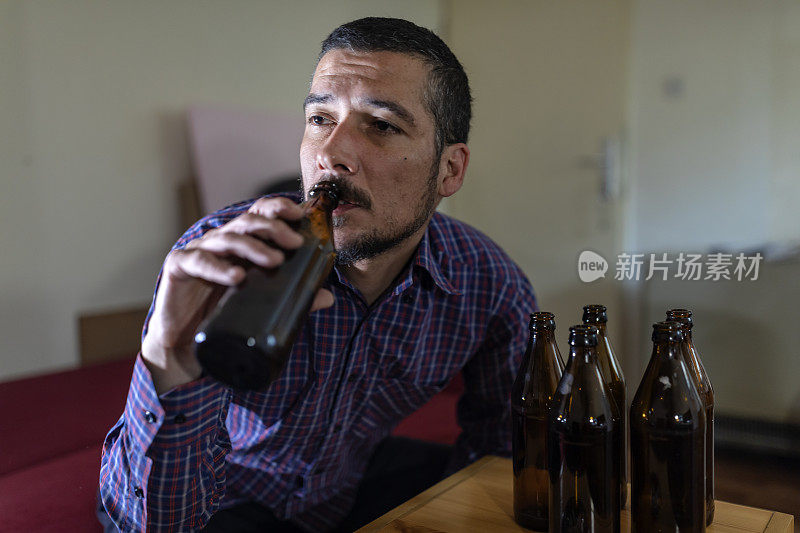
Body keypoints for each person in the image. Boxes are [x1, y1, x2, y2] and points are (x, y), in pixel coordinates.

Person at [99, 17, 537, 532]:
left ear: (450, 170)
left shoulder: (487, 283)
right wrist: (166, 361)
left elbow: (500, 445)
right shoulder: (224, 265)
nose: (331, 155)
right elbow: (144, 524)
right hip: (227, 496)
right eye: (321, 119)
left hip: (348, 483)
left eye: (382, 125)